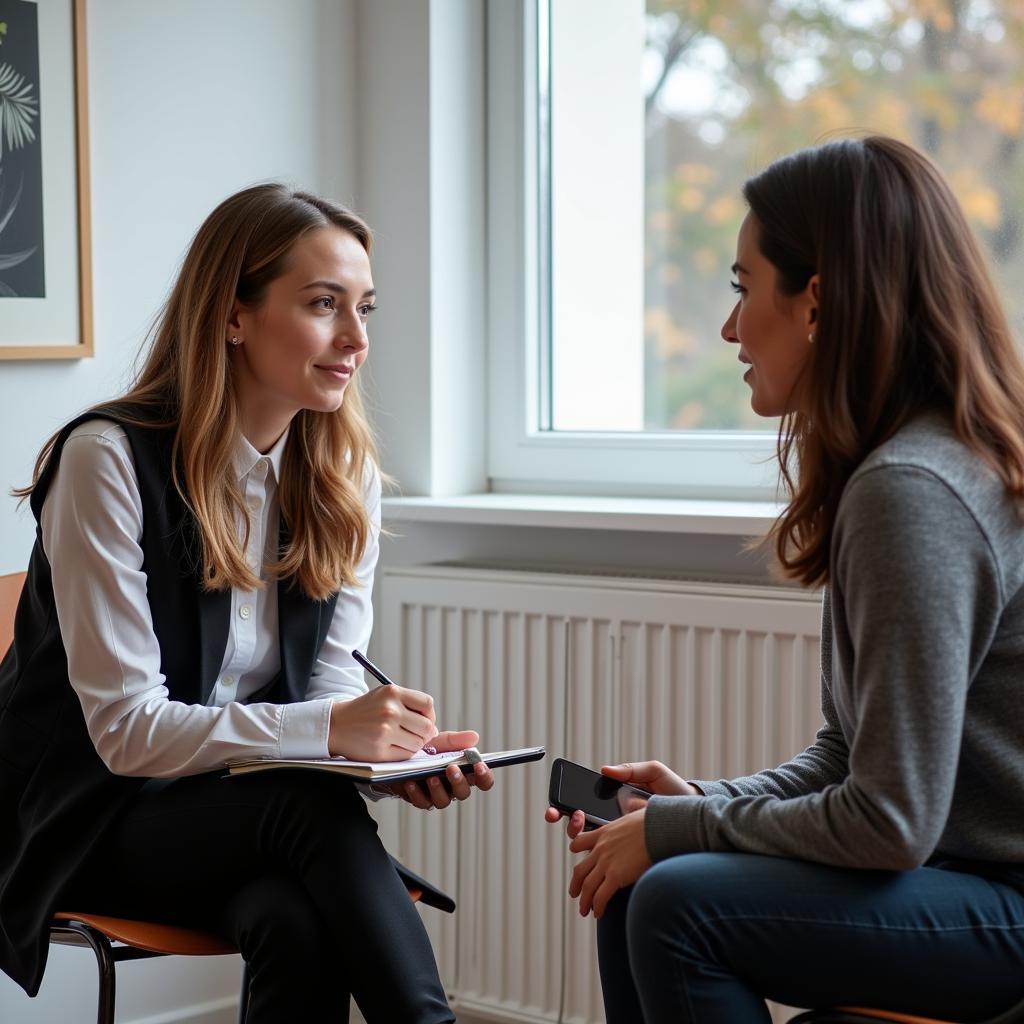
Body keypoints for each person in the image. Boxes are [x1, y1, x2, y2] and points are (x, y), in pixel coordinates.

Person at [546, 135, 1024, 1022]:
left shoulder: (912, 489)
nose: (729, 328)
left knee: (672, 901)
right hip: (963, 880)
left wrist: (677, 831)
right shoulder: (909, 465)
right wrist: (699, 804)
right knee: (641, 880)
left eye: (741, 287)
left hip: (1003, 903)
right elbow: (850, 754)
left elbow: (889, 822)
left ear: (818, 299)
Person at [0, 183, 494, 1023]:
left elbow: (325, 693)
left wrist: (388, 759)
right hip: (77, 816)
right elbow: (125, 734)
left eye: (364, 308)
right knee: (308, 806)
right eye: (323, 305)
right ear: (234, 316)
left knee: (293, 918)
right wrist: (332, 736)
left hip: (233, 810)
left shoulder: (344, 481)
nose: (357, 339)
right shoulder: (107, 461)